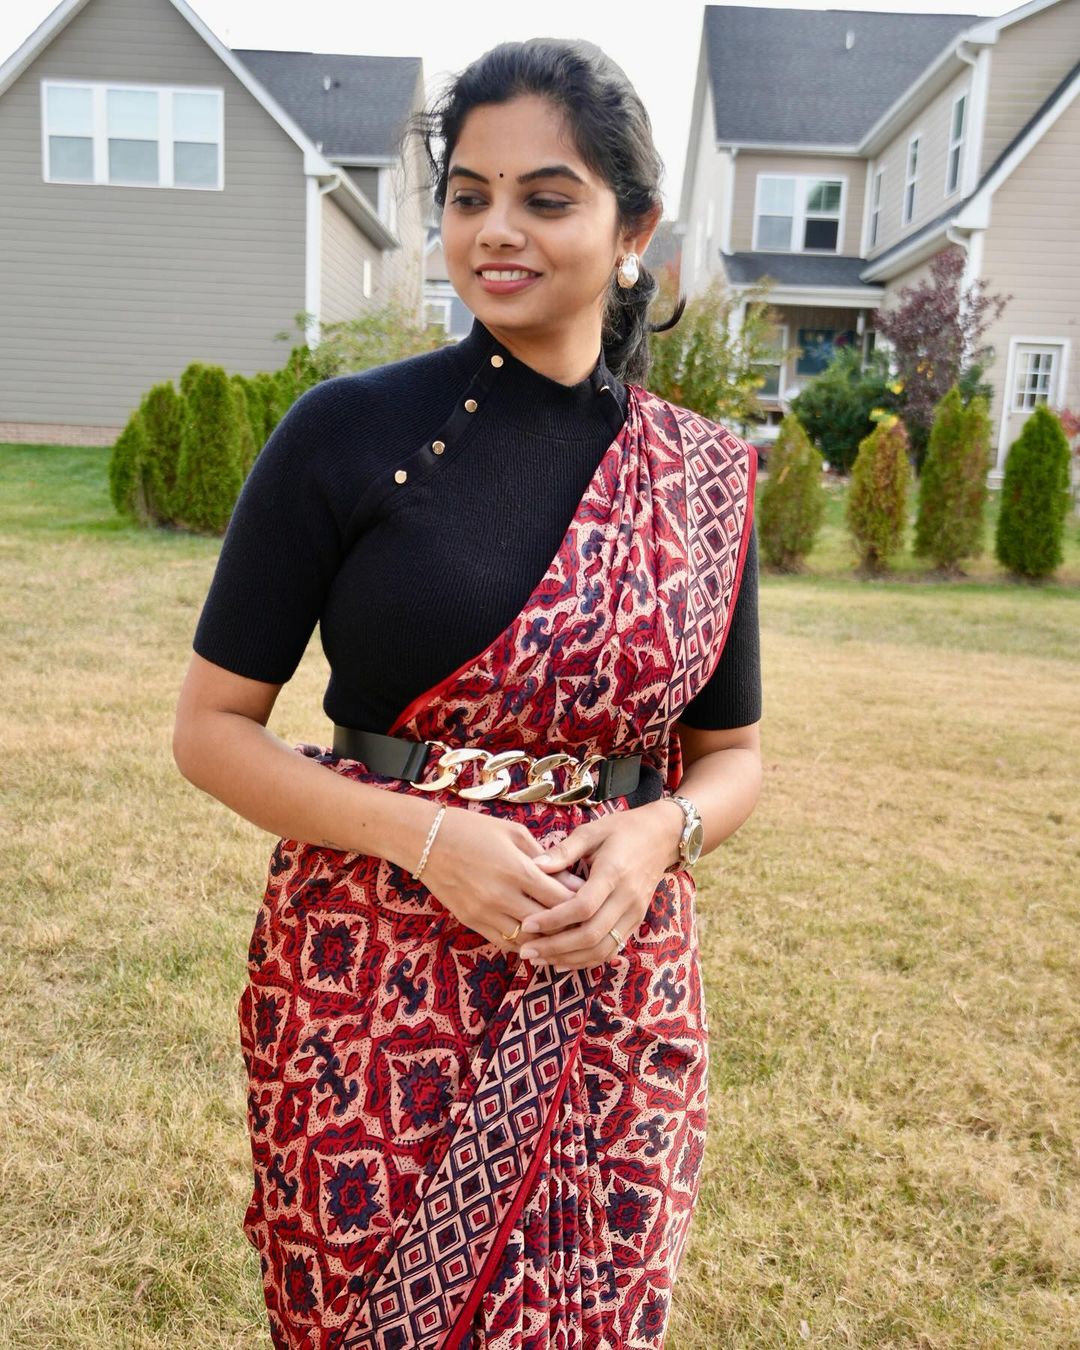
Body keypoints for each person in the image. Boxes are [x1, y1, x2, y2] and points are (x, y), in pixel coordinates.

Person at [172, 36, 761, 1350]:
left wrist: (665, 832)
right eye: (468, 194)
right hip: (369, 990)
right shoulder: (344, 435)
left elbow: (733, 754)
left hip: (615, 982)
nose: (498, 230)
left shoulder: (699, 479)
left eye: (547, 198)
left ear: (632, 231)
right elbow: (211, 730)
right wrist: (427, 837)